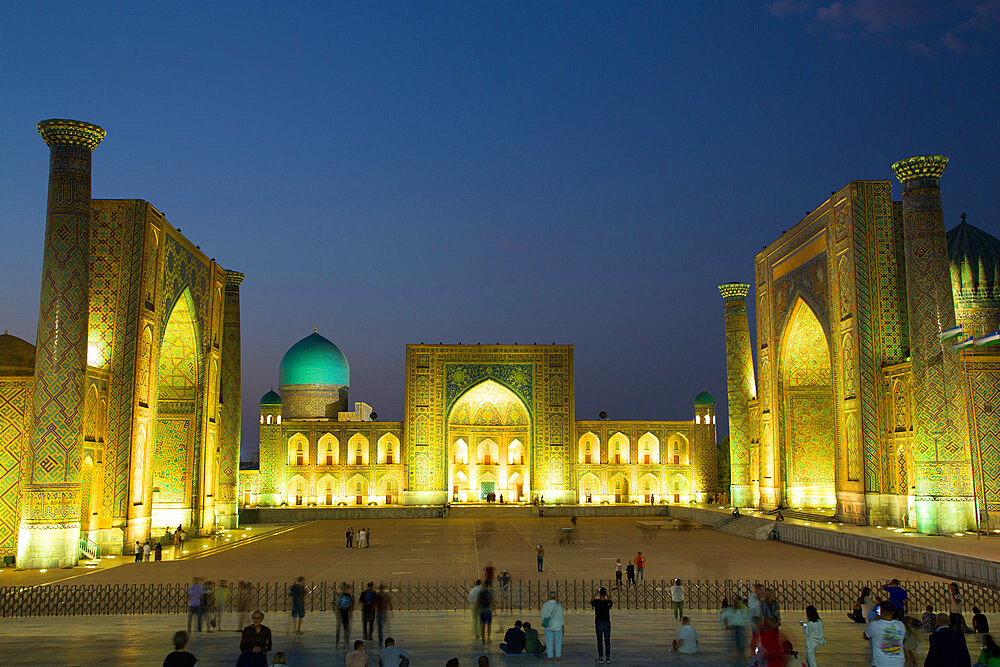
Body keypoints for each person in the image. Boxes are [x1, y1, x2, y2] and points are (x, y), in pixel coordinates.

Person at [864, 601, 905, 667]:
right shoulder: (900, 624)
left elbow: (866, 636)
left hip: (880, 663)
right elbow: (903, 639)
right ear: (893, 612)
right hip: (898, 663)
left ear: (880, 612)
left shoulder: (874, 625)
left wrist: (876, 620)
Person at [720, 598, 750, 663]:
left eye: (739, 603)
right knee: (737, 644)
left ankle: (740, 657)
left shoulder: (744, 610)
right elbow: (723, 616)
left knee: (741, 645)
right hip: (734, 628)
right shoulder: (730, 611)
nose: (738, 604)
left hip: (741, 628)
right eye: (736, 603)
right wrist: (726, 625)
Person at [590, 586, 613, 663]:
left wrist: (595, 594)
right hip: (606, 623)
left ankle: (600, 657)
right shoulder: (607, 602)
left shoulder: (596, 602)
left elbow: (591, 601)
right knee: (607, 641)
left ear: (599, 594)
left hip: (599, 623)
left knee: (599, 641)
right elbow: (611, 601)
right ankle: (608, 657)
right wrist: (607, 594)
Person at [540, 591, 564, 661]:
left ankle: (549, 657)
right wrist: (563, 627)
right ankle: (558, 657)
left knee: (549, 641)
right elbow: (561, 617)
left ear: (549, 596)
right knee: (558, 642)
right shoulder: (558, 605)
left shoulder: (545, 605)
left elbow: (542, 616)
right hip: (558, 626)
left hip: (548, 626)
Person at [336, 582, 355, 648]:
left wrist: (350, 612)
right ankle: (338, 642)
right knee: (340, 628)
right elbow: (336, 604)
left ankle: (345, 642)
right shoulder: (340, 596)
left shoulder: (349, 596)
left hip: (346, 614)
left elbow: (352, 605)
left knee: (345, 629)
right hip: (341, 614)